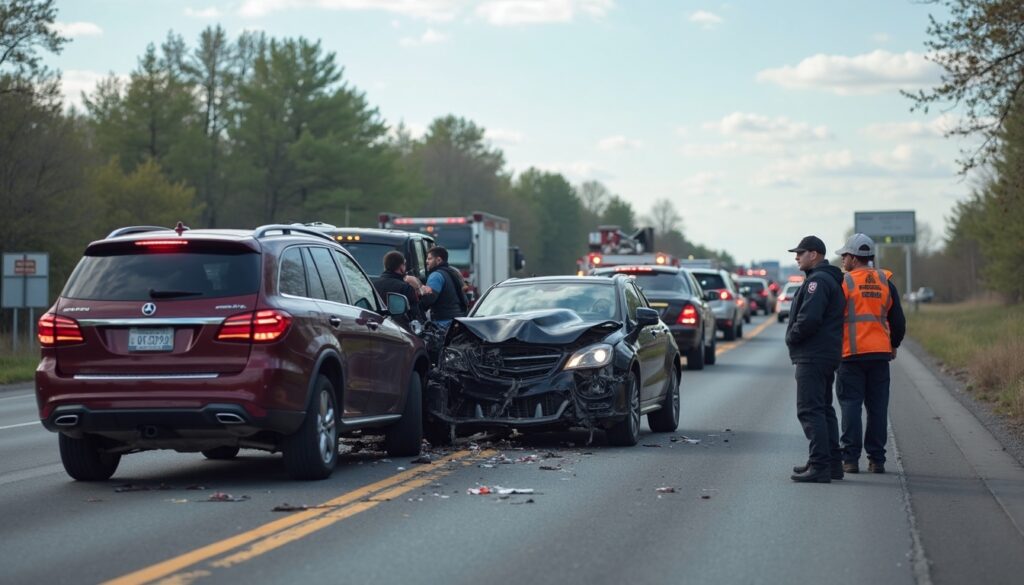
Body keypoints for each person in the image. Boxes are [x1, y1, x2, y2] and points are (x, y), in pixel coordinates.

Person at [834, 234, 906, 474]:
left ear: (854, 258)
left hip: (850, 354)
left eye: (845, 255)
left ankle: (850, 460)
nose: (843, 259)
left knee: (850, 406)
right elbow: (898, 321)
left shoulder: (845, 283)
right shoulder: (886, 281)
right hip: (879, 355)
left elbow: (833, 319)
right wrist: (893, 344)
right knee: (877, 408)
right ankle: (877, 460)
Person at [786, 235, 846, 483]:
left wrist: (792, 336)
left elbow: (809, 319)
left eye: (801, 252)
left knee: (809, 410)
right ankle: (832, 463)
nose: (797, 257)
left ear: (815, 254)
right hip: (825, 353)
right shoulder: (825, 279)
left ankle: (820, 466)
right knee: (823, 409)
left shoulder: (817, 282)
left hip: (813, 354)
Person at [416, 246, 469, 332]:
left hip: (442, 322)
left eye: (429, 259)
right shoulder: (454, 272)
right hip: (458, 320)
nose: (426, 262)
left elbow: (429, 299)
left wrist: (419, 293)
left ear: (439, 260)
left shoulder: (436, 275)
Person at [372, 251, 424, 322]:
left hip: (379, 325)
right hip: (401, 328)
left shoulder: (373, 285)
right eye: (404, 265)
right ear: (401, 267)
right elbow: (415, 315)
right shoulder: (405, 288)